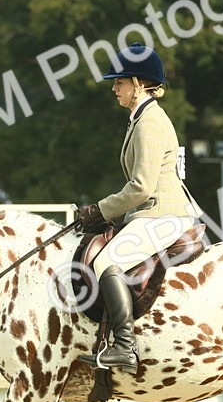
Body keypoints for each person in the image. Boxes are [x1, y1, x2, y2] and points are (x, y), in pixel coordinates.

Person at [76, 43, 199, 373]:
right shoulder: (141, 118)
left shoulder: (149, 123)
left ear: (139, 84)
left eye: (119, 82)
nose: (114, 88)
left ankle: (125, 347)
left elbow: (141, 186)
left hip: (162, 214)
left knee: (105, 262)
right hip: (154, 211)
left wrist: (100, 210)